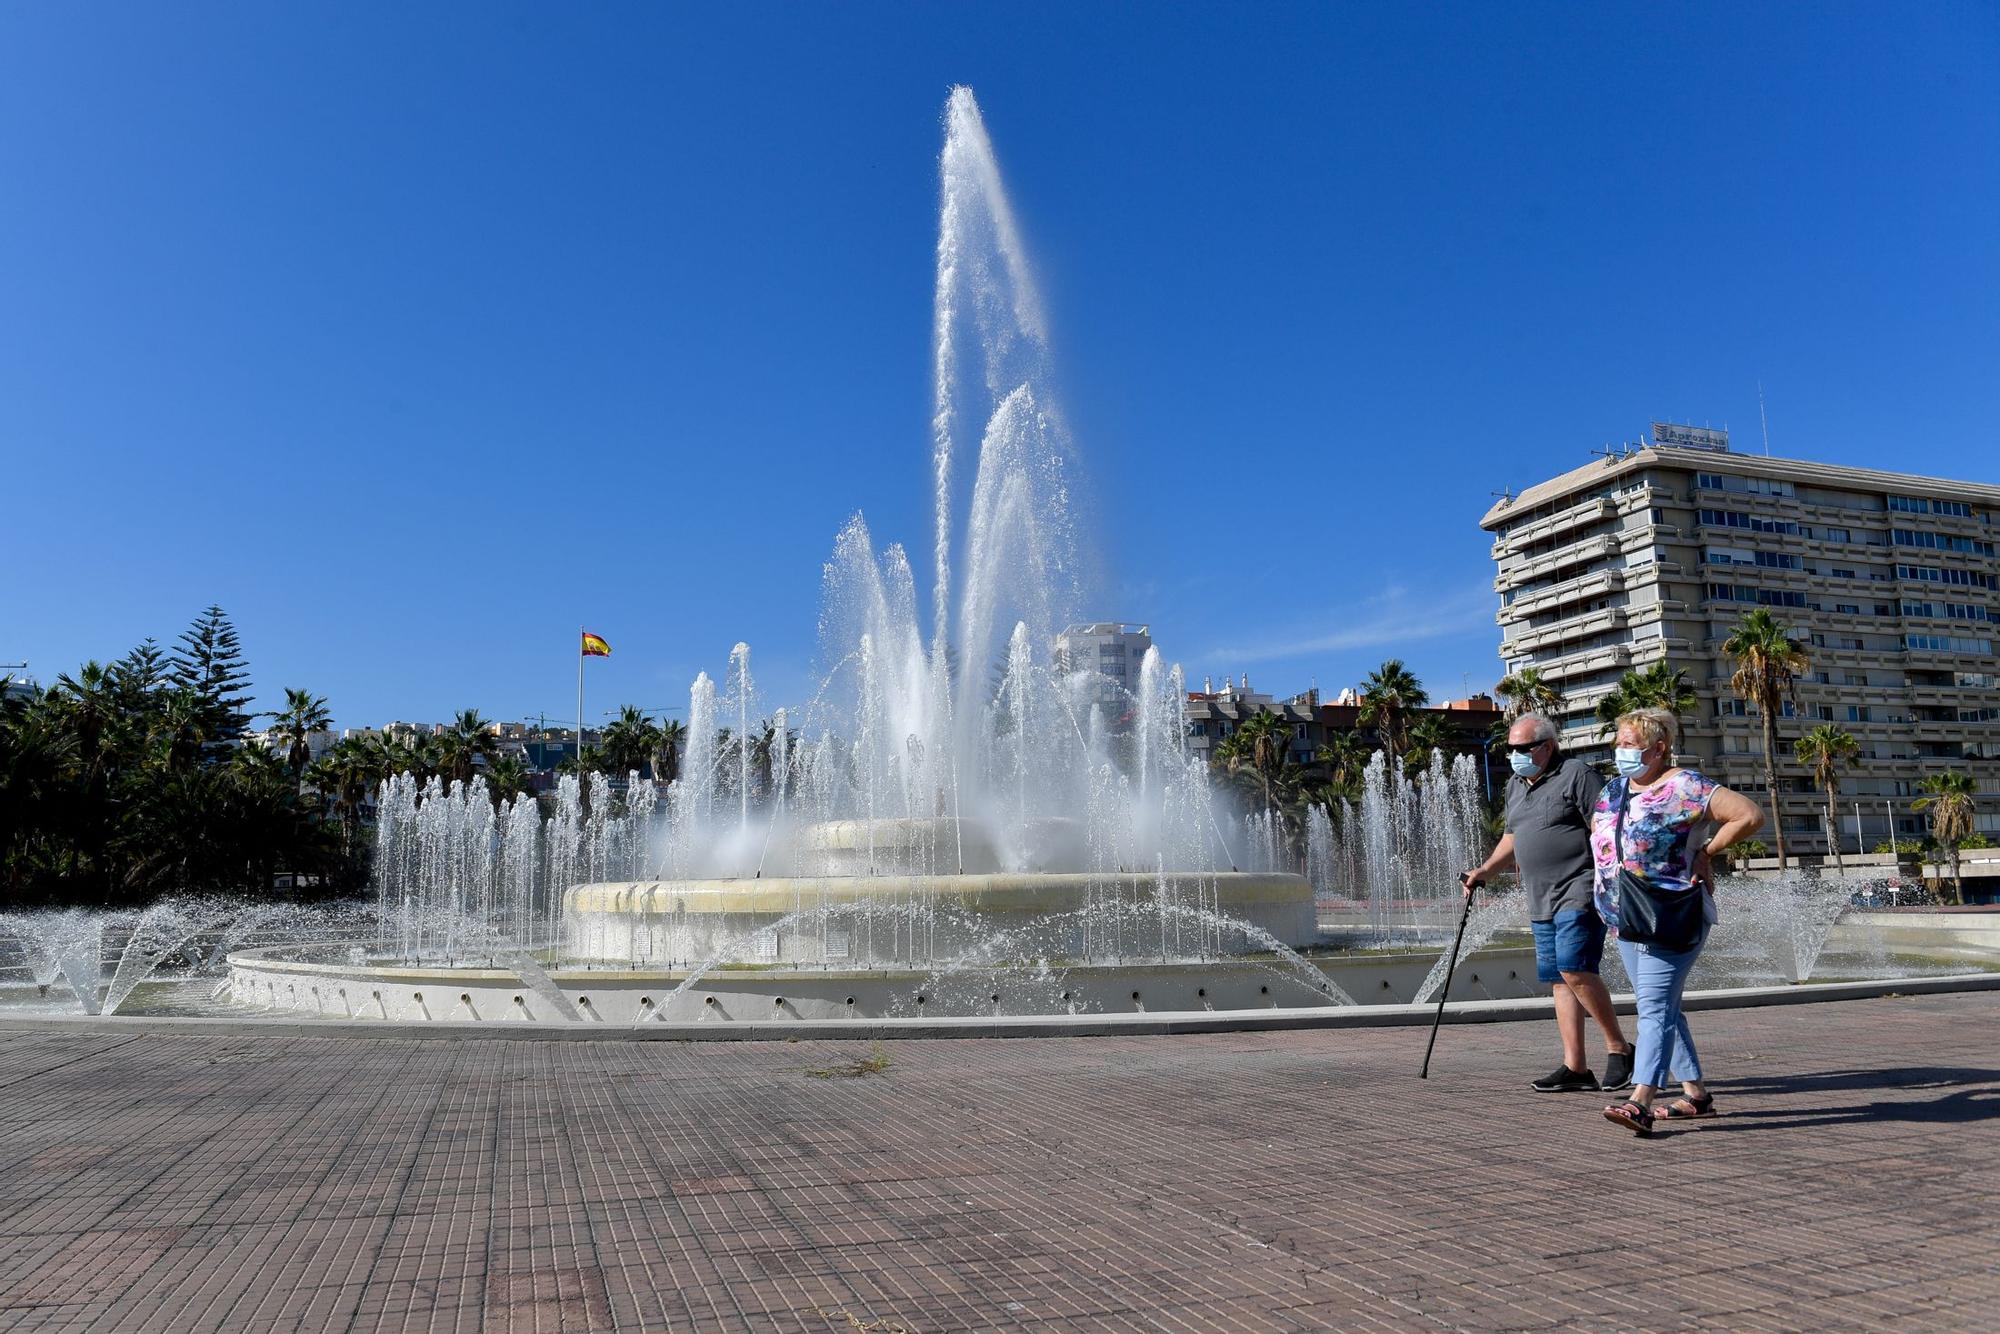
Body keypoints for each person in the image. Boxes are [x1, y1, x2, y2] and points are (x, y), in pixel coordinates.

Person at [1591, 707, 1764, 1136]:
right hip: (1625, 916)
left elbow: (1748, 814)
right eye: (1619, 742)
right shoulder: (1613, 790)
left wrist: (1707, 853)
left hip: (1670, 911)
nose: (1621, 750)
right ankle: (1697, 1097)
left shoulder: (1685, 786)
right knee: (1664, 1008)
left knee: (1653, 1008)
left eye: (1630, 744)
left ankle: (1641, 1100)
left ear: (1659, 747)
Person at [1461, 713, 1633, 1094]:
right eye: (1511, 749)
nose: (1516, 755)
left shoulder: (1577, 775)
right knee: (1558, 978)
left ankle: (1619, 1047)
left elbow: (1606, 828)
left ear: (1547, 746)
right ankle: (1576, 1067)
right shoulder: (1516, 786)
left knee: (1574, 967)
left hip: (1581, 886)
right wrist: (1485, 870)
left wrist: (1615, 879)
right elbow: (1513, 837)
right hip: (1541, 896)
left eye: (1524, 748)